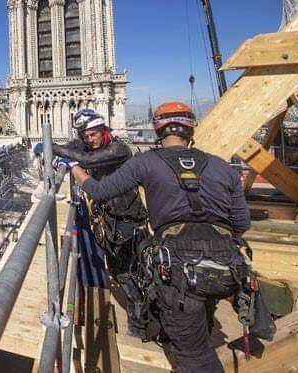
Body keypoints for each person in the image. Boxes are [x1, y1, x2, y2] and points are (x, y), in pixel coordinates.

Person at [69, 101, 252, 373]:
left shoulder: (145, 162)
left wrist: (72, 167)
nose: (89, 139)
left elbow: (98, 190)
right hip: (225, 263)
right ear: (191, 129)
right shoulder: (222, 166)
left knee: (195, 355)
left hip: (179, 265)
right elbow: (241, 223)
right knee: (201, 316)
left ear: (158, 130)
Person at [51, 108, 149, 337]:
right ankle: (140, 317)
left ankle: (141, 324)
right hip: (109, 223)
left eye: (93, 134)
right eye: (86, 136)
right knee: (118, 272)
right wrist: (68, 146)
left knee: (131, 273)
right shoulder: (93, 145)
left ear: (104, 130)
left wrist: (50, 147)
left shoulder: (118, 149)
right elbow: (78, 148)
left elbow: (86, 159)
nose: (90, 140)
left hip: (128, 223)